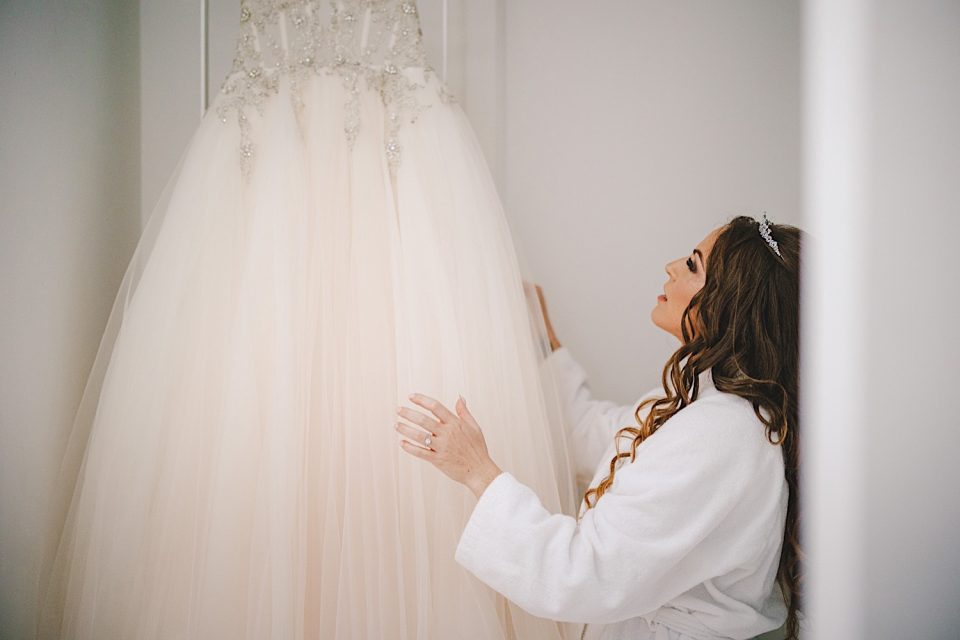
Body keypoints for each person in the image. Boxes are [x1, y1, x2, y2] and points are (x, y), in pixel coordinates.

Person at [396, 215, 803, 640]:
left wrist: (476, 471)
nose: (670, 267)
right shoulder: (708, 405)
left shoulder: (720, 434)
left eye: (692, 265)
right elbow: (594, 434)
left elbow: (582, 574)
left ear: (730, 306)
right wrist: (544, 339)